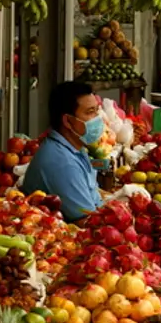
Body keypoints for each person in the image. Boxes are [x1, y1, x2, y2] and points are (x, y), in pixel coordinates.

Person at [21, 81, 103, 222]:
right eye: (90, 112)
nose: (97, 118)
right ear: (67, 121)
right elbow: (88, 222)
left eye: (97, 110)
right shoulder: (63, 163)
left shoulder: (75, 148)